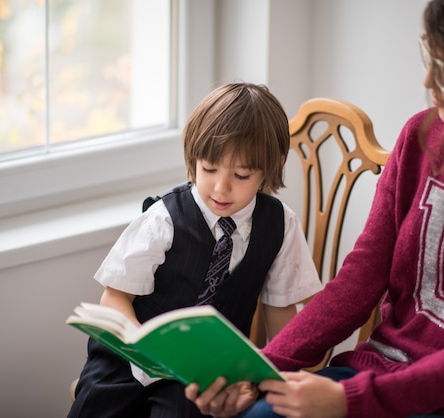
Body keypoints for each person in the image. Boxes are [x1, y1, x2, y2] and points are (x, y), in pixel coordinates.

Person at [186, 0, 444, 417]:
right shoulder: (420, 135)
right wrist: (258, 373)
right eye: (429, 57)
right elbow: (356, 283)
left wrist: (349, 402)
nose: (429, 80)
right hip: (378, 372)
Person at [67, 82, 323, 418]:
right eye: (209, 169)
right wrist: (141, 346)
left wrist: (280, 379)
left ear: (270, 167)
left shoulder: (279, 224)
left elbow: (281, 314)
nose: (221, 187)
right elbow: (115, 297)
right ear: (193, 158)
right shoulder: (163, 219)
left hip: (203, 377)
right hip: (126, 363)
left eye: (242, 175)